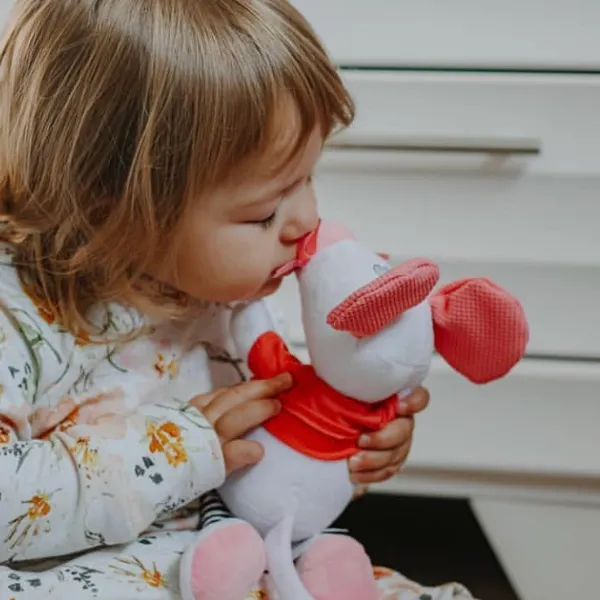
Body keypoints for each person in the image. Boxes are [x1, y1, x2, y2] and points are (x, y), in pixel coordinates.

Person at [0, 1, 476, 599]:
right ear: (108, 207)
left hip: (238, 557)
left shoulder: (228, 292)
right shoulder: (17, 311)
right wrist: (177, 450)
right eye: (263, 212)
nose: (306, 220)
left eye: (308, 178)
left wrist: (340, 443)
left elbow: (263, 472)